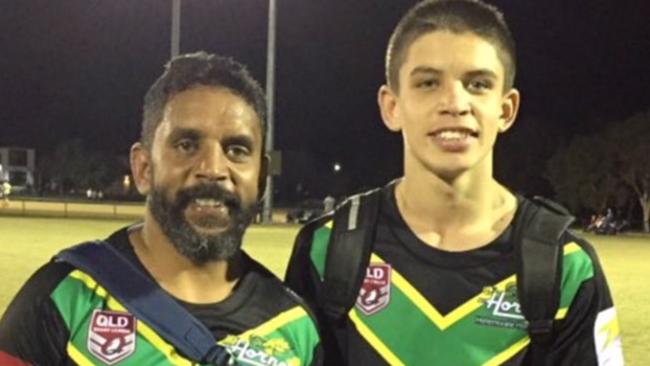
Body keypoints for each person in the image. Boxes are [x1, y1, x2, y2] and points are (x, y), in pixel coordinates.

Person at [285, 1, 623, 365]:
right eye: (428, 83)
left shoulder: (567, 268)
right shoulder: (327, 250)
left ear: (506, 109)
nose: (455, 102)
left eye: (478, 84)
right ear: (391, 106)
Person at [0, 52, 322, 366]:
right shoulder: (62, 299)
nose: (212, 168)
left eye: (236, 150)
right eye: (186, 145)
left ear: (262, 178)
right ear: (143, 169)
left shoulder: (295, 327)